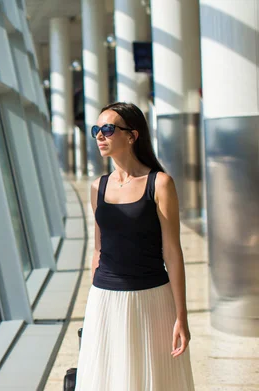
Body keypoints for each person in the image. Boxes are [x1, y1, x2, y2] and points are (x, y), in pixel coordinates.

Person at [74, 102, 195, 390]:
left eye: (108, 129)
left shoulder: (160, 184)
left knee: (150, 379)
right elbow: (98, 250)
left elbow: (172, 253)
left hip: (151, 299)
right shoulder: (97, 187)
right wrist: (94, 306)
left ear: (132, 135)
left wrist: (181, 316)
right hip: (105, 298)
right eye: (97, 130)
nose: (100, 136)